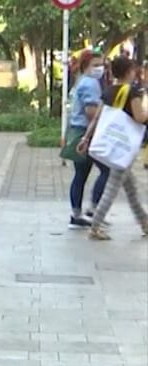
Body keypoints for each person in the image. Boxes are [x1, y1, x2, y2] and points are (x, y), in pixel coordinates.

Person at [79, 56, 148, 240]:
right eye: (134, 70)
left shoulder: (108, 91)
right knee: (112, 187)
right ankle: (95, 226)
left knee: (130, 188)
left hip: (113, 144)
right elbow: (140, 117)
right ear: (129, 72)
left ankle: (144, 222)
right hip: (124, 147)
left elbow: (96, 118)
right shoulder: (132, 92)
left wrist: (86, 138)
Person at [63, 50, 108, 228]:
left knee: (80, 175)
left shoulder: (81, 81)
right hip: (86, 133)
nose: (100, 69)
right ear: (85, 66)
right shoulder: (90, 83)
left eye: (102, 64)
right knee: (108, 170)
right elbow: (91, 112)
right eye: (95, 65)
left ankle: (77, 214)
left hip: (77, 131)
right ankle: (93, 208)